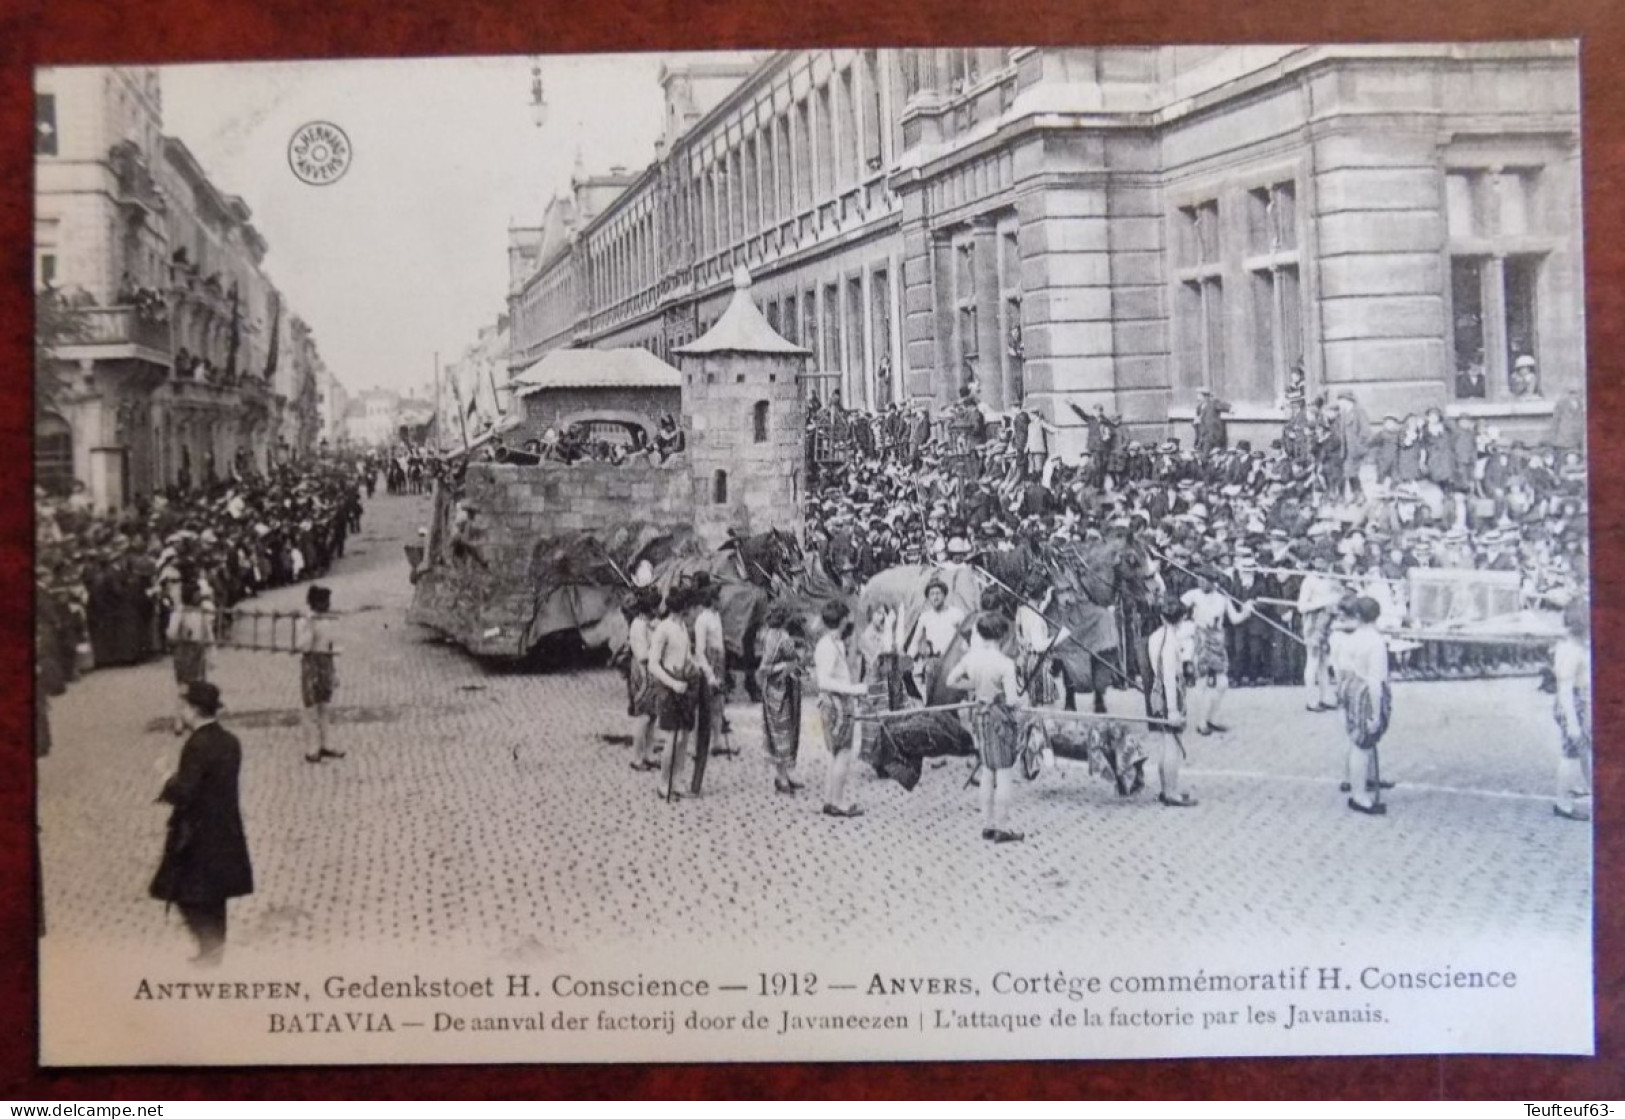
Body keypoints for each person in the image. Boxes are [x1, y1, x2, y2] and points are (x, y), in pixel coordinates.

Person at [149, 681, 254, 965]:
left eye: (183, 706)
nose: (181, 711)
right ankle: (214, 950)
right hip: (226, 828)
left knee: (184, 892)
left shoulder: (196, 745)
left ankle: (210, 949)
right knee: (216, 894)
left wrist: (166, 777)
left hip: (197, 832)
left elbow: (186, 792)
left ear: (193, 710)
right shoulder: (230, 741)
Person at [946, 613, 1024, 843]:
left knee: (988, 770)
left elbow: (951, 681)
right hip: (999, 718)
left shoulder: (972, 658)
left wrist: (974, 685)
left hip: (979, 716)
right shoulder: (1005, 664)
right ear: (1002, 635)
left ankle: (987, 824)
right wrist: (1020, 698)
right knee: (1004, 772)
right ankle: (1002, 827)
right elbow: (1011, 701)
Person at [1333, 596, 1393, 815]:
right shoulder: (1375, 642)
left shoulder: (1350, 638)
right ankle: (1359, 796)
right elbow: (1375, 682)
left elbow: (1341, 669)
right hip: (1365, 691)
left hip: (1350, 686)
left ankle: (1361, 780)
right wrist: (1376, 714)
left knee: (1357, 739)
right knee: (1363, 744)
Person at [1180, 567, 1253, 735]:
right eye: (1199, 578)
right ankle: (1201, 723)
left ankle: (1212, 718)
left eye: (1205, 579)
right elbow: (1177, 607)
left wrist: (1246, 611)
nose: (1200, 582)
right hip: (1201, 641)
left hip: (1218, 642)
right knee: (1202, 683)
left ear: (1214, 583)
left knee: (1222, 684)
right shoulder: (1193, 595)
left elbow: (1235, 619)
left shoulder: (1223, 599)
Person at [815, 601, 868, 818]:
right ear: (842, 619)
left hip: (839, 702)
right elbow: (823, 681)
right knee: (843, 753)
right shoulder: (827, 646)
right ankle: (836, 803)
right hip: (836, 703)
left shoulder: (833, 642)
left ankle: (831, 799)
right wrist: (853, 689)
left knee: (838, 753)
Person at [648, 586, 699, 802]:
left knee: (684, 737)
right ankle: (663, 782)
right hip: (669, 686)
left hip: (685, 683)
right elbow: (653, 664)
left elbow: (687, 655)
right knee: (671, 739)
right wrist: (672, 683)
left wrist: (696, 667)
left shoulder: (682, 627)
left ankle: (677, 780)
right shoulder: (663, 629)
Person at [1145, 597, 1196, 807]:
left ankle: (1167, 788)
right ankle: (1171, 792)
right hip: (1169, 693)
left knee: (1167, 743)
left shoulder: (1156, 636)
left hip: (1159, 691)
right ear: (1181, 618)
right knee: (1172, 744)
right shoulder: (1170, 642)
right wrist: (1173, 709)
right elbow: (1168, 676)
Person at [757, 601, 808, 794]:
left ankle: (784, 774)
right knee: (782, 732)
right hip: (780, 688)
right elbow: (766, 667)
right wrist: (789, 664)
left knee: (781, 731)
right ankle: (781, 777)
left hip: (777, 688)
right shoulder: (779, 637)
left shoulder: (769, 635)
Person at [1551, 598, 1592, 821]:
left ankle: (1590, 786)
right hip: (1572, 703)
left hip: (1578, 702)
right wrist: (1573, 723)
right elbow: (1565, 689)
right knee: (1570, 753)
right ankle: (1562, 803)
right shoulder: (1572, 650)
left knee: (1583, 750)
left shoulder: (1572, 644)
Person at [298, 584, 342, 764]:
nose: (327, 605)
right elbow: (303, 647)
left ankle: (327, 745)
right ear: (314, 603)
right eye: (324, 602)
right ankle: (311, 749)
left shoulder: (327, 620)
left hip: (325, 663)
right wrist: (310, 626)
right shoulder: (305, 621)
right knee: (310, 707)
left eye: (328, 602)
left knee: (325, 706)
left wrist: (334, 671)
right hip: (311, 664)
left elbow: (330, 645)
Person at [166, 581, 213, 734]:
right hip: (184, 651)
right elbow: (171, 633)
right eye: (196, 593)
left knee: (199, 684)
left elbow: (208, 632)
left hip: (198, 651)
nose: (199, 596)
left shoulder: (202, 610)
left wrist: (210, 649)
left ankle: (194, 718)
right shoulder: (180, 612)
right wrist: (181, 636)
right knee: (184, 687)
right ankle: (179, 720)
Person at [626, 589, 661, 772]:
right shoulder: (638, 626)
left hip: (652, 669)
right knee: (643, 716)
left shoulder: (649, 623)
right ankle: (637, 757)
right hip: (643, 670)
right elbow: (642, 655)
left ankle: (649, 754)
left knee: (652, 715)